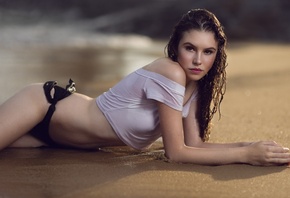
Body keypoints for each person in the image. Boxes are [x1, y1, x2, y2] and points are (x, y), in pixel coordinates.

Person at [0, 9, 289, 166]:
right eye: (190, 48)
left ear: (217, 55)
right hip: (45, 106)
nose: (198, 60)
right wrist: (245, 156)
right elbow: (176, 153)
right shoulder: (171, 72)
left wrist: (252, 147)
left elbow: (196, 146)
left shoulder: (196, 87)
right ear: (176, 47)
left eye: (208, 52)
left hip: (56, 140)